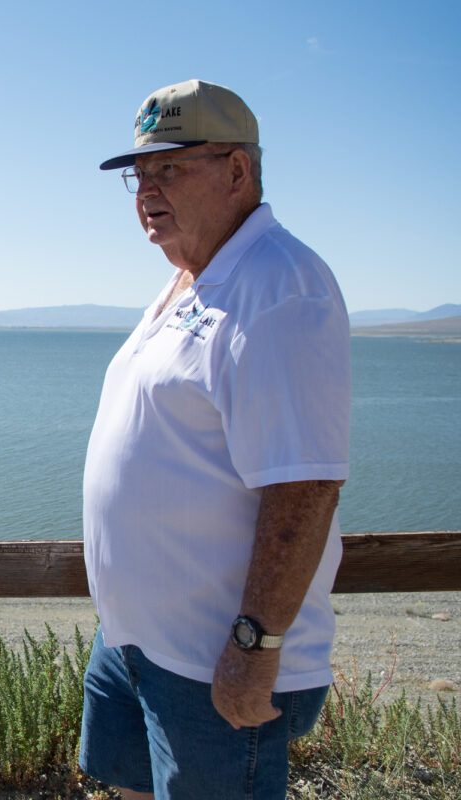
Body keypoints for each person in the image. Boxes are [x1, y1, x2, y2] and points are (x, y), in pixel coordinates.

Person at [79, 80, 350, 799]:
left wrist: (254, 646)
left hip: (214, 662)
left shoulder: (280, 286)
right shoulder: (192, 280)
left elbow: (306, 485)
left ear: (238, 170)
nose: (148, 190)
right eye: (140, 174)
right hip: (136, 644)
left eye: (172, 168)